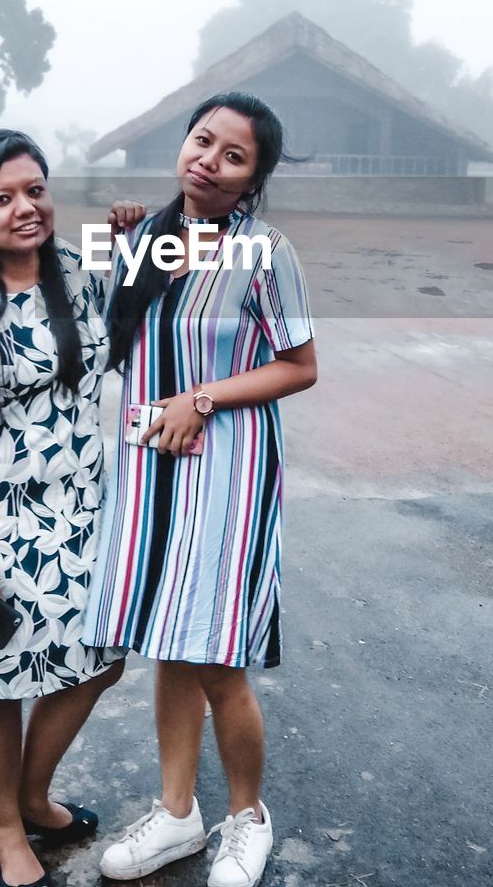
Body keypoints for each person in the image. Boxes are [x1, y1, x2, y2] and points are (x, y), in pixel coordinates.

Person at [82, 92, 317, 887]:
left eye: (233, 157)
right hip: (151, 465)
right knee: (171, 645)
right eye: (202, 141)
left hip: (229, 471)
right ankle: (177, 816)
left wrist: (203, 398)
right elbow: (118, 339)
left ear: (252, 181)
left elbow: (300, 365)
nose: (208, 161)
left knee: (217, 656)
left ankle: (247, 819)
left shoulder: (267, 251)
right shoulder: (149, 234)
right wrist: (122, 245)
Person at [0, 130, 125, 887]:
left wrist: (135, 228)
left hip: (83, 512)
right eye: (2, 198)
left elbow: (149, 295)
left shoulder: (76, 269)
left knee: (99, 660)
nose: (24, 208)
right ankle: (9, 830)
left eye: (34, 189)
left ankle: (34, 795)